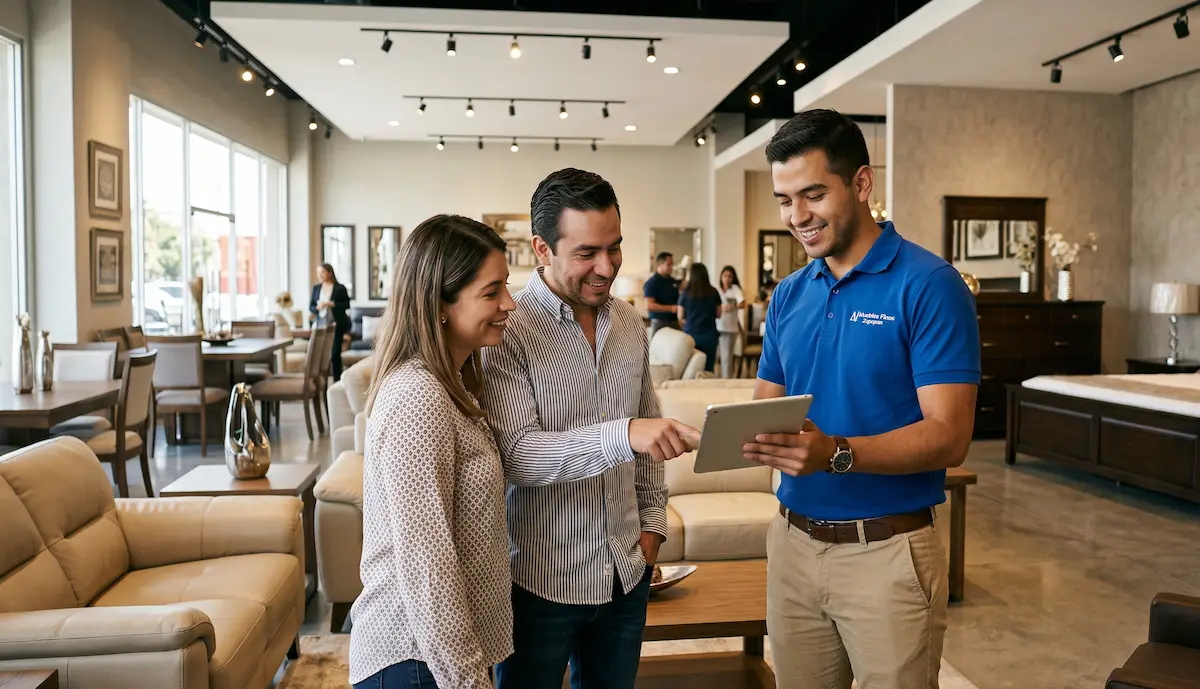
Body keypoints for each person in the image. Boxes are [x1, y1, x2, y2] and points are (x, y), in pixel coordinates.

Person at [741, 109, 980, 689]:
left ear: (862, 183)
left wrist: (835, 452)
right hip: (793, 545)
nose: (796, 216)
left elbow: (950, 436)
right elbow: (765, 407)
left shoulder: (930, 285)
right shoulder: (789, 294)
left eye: (813, 194)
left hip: (888, 553)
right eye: (784, 200)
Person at [480, 168, 700, 689]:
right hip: (539, 584)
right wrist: (623, 435)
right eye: (587, 253)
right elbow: (519, 456)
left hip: (627, 574)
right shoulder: (506, 328)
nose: (607, 266)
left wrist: (652, 529)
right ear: (542, 249)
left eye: (614, 247)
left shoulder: (629, 324)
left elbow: (649, 437)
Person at [349, 215, 516, 689]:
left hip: (436, 659)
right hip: (416, 661)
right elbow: (428, 567)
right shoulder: (417, 397)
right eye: (491, 292)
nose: (509, 303)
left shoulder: (450, 384)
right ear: (439, 304)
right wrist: (469, 681)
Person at [309, 263, 352, 380]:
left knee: (334, 354)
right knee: (319, 355)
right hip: (320, 324)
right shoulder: (316, 288)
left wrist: (332, 304)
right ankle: (320, 382)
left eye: (322, 272)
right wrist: (317, 308)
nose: (319, 275)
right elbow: (311, 307)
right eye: (318, 273)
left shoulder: (340, 288)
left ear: (329, 273)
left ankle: (337, 381)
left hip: (336, 324)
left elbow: (347, 305)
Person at [676, 262, 720, 374]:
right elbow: (719, 314)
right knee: (708, 369)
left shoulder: (685, 293)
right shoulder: (714, 292)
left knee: (692, 369)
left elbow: (680, 316)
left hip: (691, 334)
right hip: (710, 335)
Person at [716, 265, 747, 378]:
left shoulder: (735, 289)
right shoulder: (717, 290)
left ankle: (726, 380)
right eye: (725, 276)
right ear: (721, 277)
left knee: (727, 358)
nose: (727, 279)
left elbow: (743, 304)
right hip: (717, 326)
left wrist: (733, 306)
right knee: (718, 357)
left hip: (730, 328)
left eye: (730, 276)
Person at [643, 251, 680, 338]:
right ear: (659, 265)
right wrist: (671, 308)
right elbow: (649, 305)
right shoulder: (652, 283)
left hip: (674, 322)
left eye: (672, 264)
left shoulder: (672, 281)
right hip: (660, 323)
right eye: (668, 264)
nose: (671, 267)